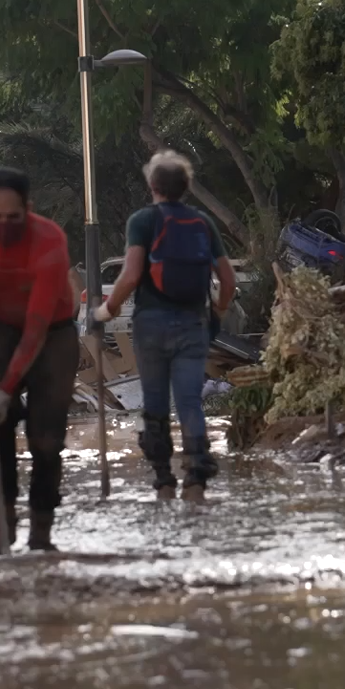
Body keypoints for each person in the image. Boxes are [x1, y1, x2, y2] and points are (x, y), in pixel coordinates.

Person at [96, 150, 234, 500]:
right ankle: (196, 479)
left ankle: (163, 481)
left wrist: (105, 312)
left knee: (155, 403)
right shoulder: (202, 222)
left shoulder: (142, 221)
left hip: (151, 325)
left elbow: (129, 276)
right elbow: (228, 279)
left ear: (152, 184)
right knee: (190, 401)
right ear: (186, 186)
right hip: (193, 323)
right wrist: (217, 312)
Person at [0, 167, 78, 554]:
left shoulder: (49, 240)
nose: (4, 227)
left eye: (13, 218)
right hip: (0, 329)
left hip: (52, 334)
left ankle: (41, 530)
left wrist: (7, 389)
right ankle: (2, 522)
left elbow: (38, 327)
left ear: (29, 209)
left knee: (46, 438)